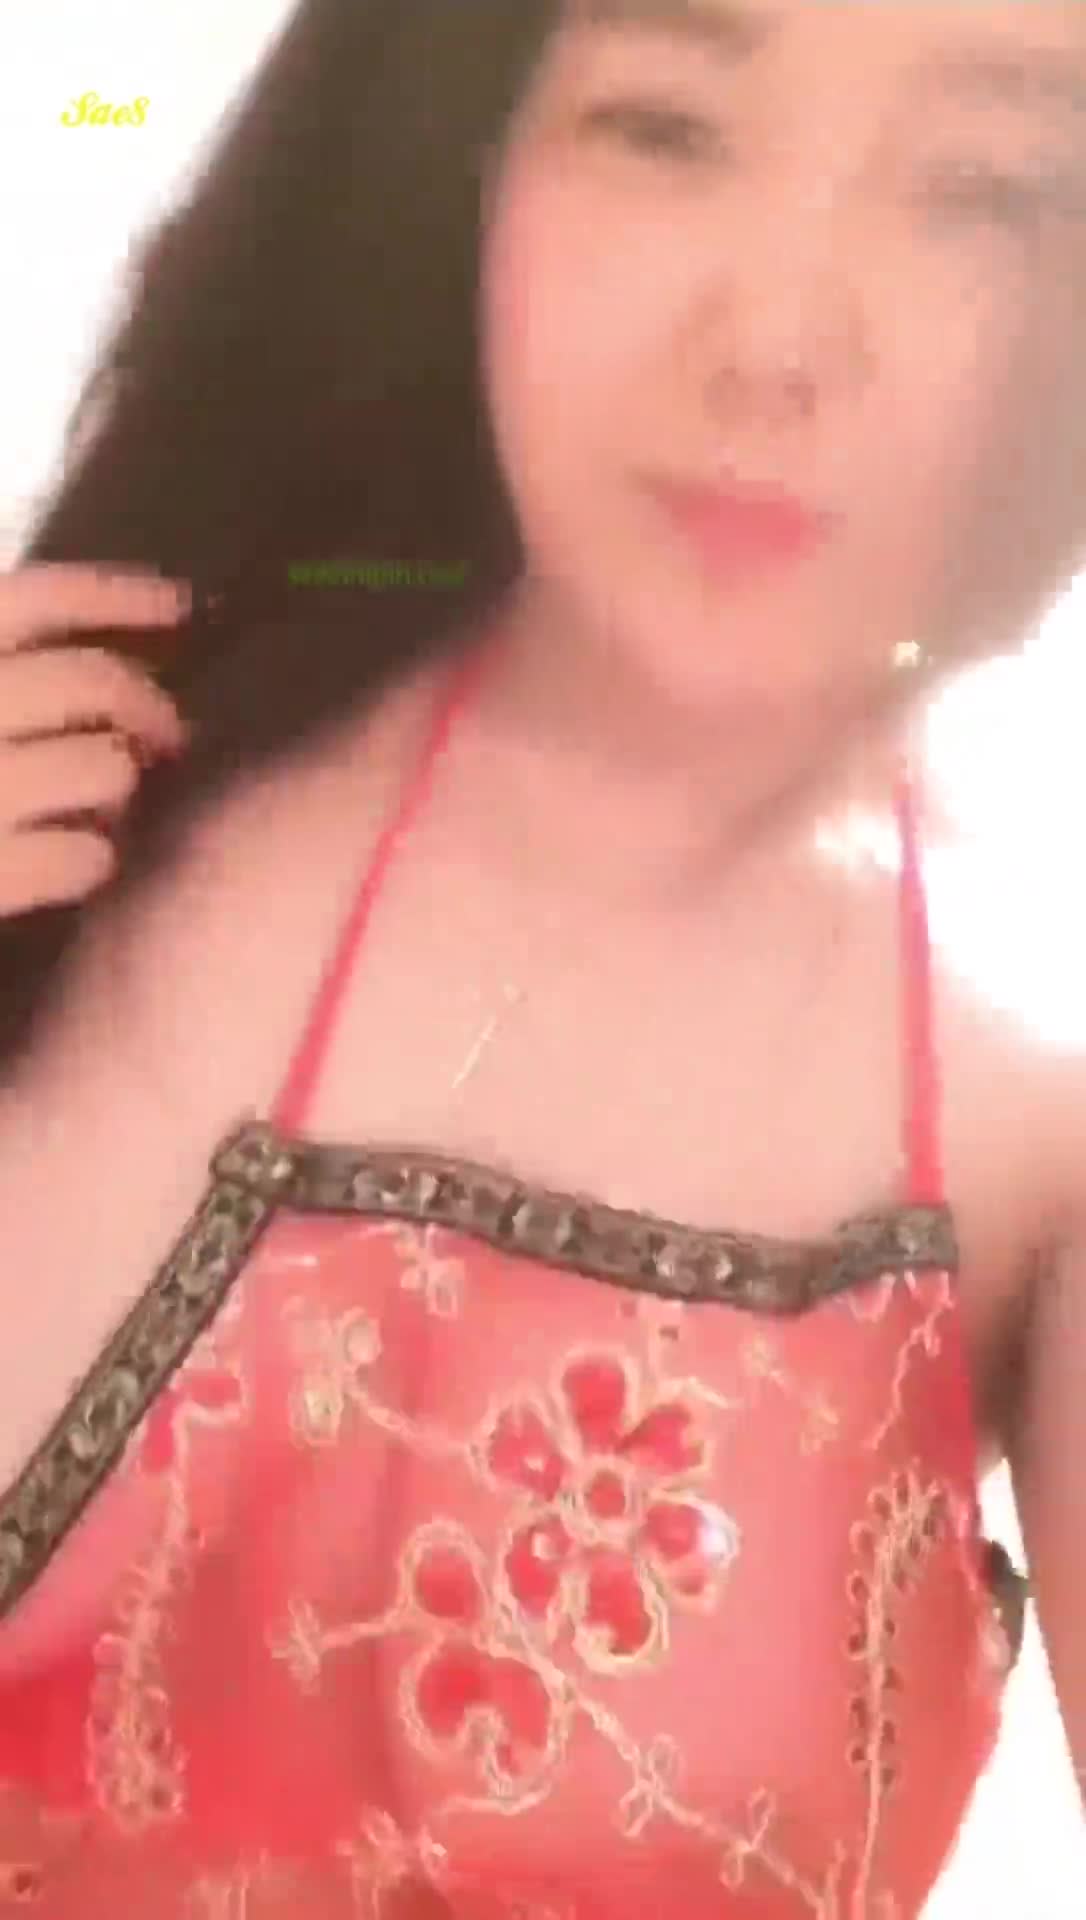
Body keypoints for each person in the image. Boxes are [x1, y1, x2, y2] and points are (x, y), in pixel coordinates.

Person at [0, 0, 1082, 1911]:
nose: (776, 339)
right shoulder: (81, 783)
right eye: (664, 127)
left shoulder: (1039, 1077)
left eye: (984, 190)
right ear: (460, 151)